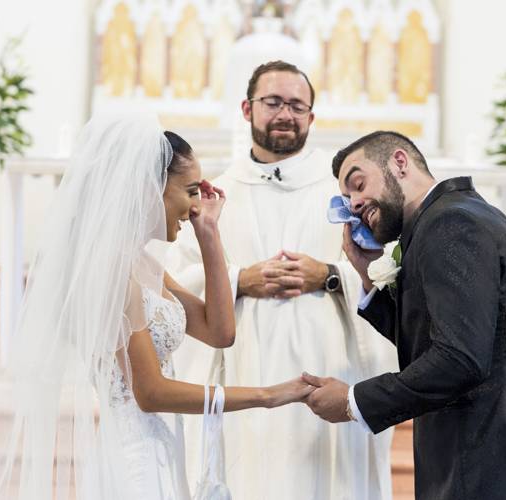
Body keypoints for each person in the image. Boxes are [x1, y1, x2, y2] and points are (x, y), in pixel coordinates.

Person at [0, 113, 314, 500]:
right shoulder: (110, 270)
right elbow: (150, 392)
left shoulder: (142, 263)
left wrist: (210, 234)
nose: (196, 205)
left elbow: (219, 332)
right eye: (190, 190)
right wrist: (265, 396)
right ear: (149, 189)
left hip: (162, 445)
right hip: (134, 461)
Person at [303, 130, 506, 499]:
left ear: (399, 162)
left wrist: (355, 401)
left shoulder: (452, 225)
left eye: (358, 183)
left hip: (489, 464)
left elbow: (459, 360)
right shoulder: (452, 218)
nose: (352, 204)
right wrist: (367, 274)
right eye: (347, 195)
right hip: (484, 457)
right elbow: (435, 338)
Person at [170, 61, 396, 500]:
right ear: (246, 108)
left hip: (326, 368)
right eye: (273, 102)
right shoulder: (212, 193)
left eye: (297, 105)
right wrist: (237, 279)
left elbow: (385, 274)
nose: (285, 114)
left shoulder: (347, 194)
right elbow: (177, 282)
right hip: (243, 369)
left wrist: (329, 275)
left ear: (311, 117)